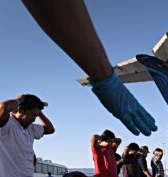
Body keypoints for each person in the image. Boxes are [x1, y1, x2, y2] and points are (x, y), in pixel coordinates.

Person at [21, 0, 157, 137]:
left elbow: (50, 129)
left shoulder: (31, 129)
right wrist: (106, 78)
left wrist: (106, 78)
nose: (34, 119)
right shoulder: (7, 123)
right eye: (33, 115)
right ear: (20, 110)